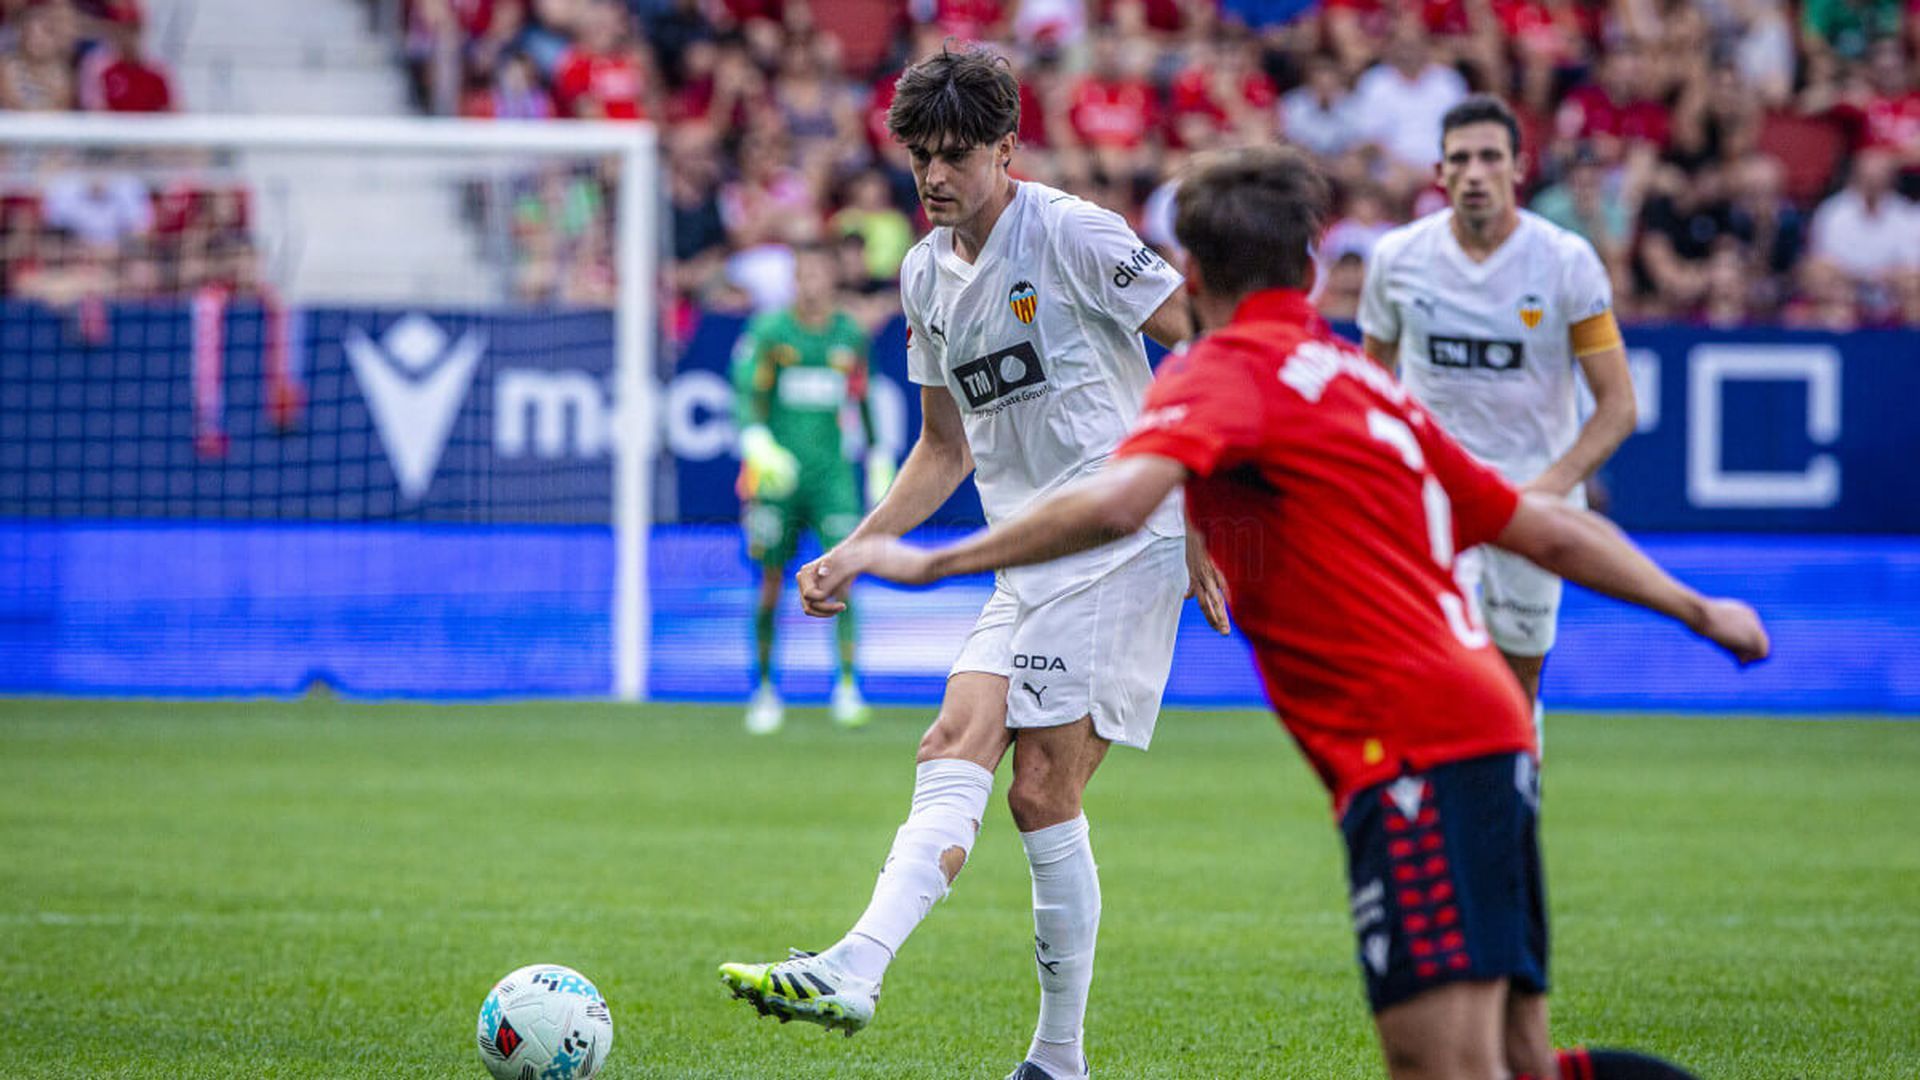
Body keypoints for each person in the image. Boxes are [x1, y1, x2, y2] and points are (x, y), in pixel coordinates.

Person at [807, 143, 1768, 1080]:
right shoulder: (1358, 381)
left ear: (1191, 266)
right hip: (1494, 731)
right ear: (1312, 268)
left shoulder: (1219, 378)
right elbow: (1539, 525)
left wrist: (935, 565)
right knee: (1520, 1063)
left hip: (1410, 757)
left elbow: (1112, 502)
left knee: (1445, 1067)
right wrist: (1694, 606)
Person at [719, 44, 1225, 1080]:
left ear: (1009, 148)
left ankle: (1056, 1057)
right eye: (919, 158)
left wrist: (1208, 506)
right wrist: (860, 547)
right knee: (952, 737)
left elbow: (1205, 347)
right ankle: (857, 967)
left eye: (955, 155)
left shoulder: (1077, 234)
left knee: (1040, 786)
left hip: (1125, 538)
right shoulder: (920, 275)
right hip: (1026, 552)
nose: (935, 176)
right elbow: (944, 447)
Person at [1360, 94, 1638, 722]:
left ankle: (1514, 804)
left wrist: (1548, 490)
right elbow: (1370, 381)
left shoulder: (1567, 262)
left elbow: (1618, 406)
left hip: (1533, 501)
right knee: (1434, 670)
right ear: (1440, 173)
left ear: (1518, 168)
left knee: (1517, 682)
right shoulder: (1398, 259)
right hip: (1433, 498)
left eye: (1491, 157)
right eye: (1460, 159)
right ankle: (1434, 811)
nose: (1475, 172)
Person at [730, 244, 890, 734]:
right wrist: (756, 443)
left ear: (832, 279)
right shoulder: (770, 331)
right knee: (771, 584)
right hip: (779, 479)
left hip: (832, 476)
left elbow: (863, 397)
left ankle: (846, 685)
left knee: (841, 576)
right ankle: (763, 689)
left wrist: (879, 455)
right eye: (803, 275)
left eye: (820, 274)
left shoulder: (849, 335)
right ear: (795, 281)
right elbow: (746, 393)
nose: (811, 284)